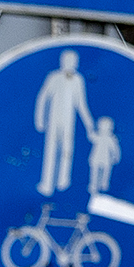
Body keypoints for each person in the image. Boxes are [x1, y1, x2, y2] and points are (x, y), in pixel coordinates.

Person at [34, 47, 93, 197]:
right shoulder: (53, 77)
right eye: (68, 60)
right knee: (51, 150)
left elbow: (81, 104)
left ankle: (63, 183)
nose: (71, 63)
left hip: (69, 121)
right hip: (53, 120)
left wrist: (89, 125)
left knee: (67, 149)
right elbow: (43, 97)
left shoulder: (78, 79)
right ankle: (47, 184)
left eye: (73, 61)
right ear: (62, 61)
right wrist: (40, 119)